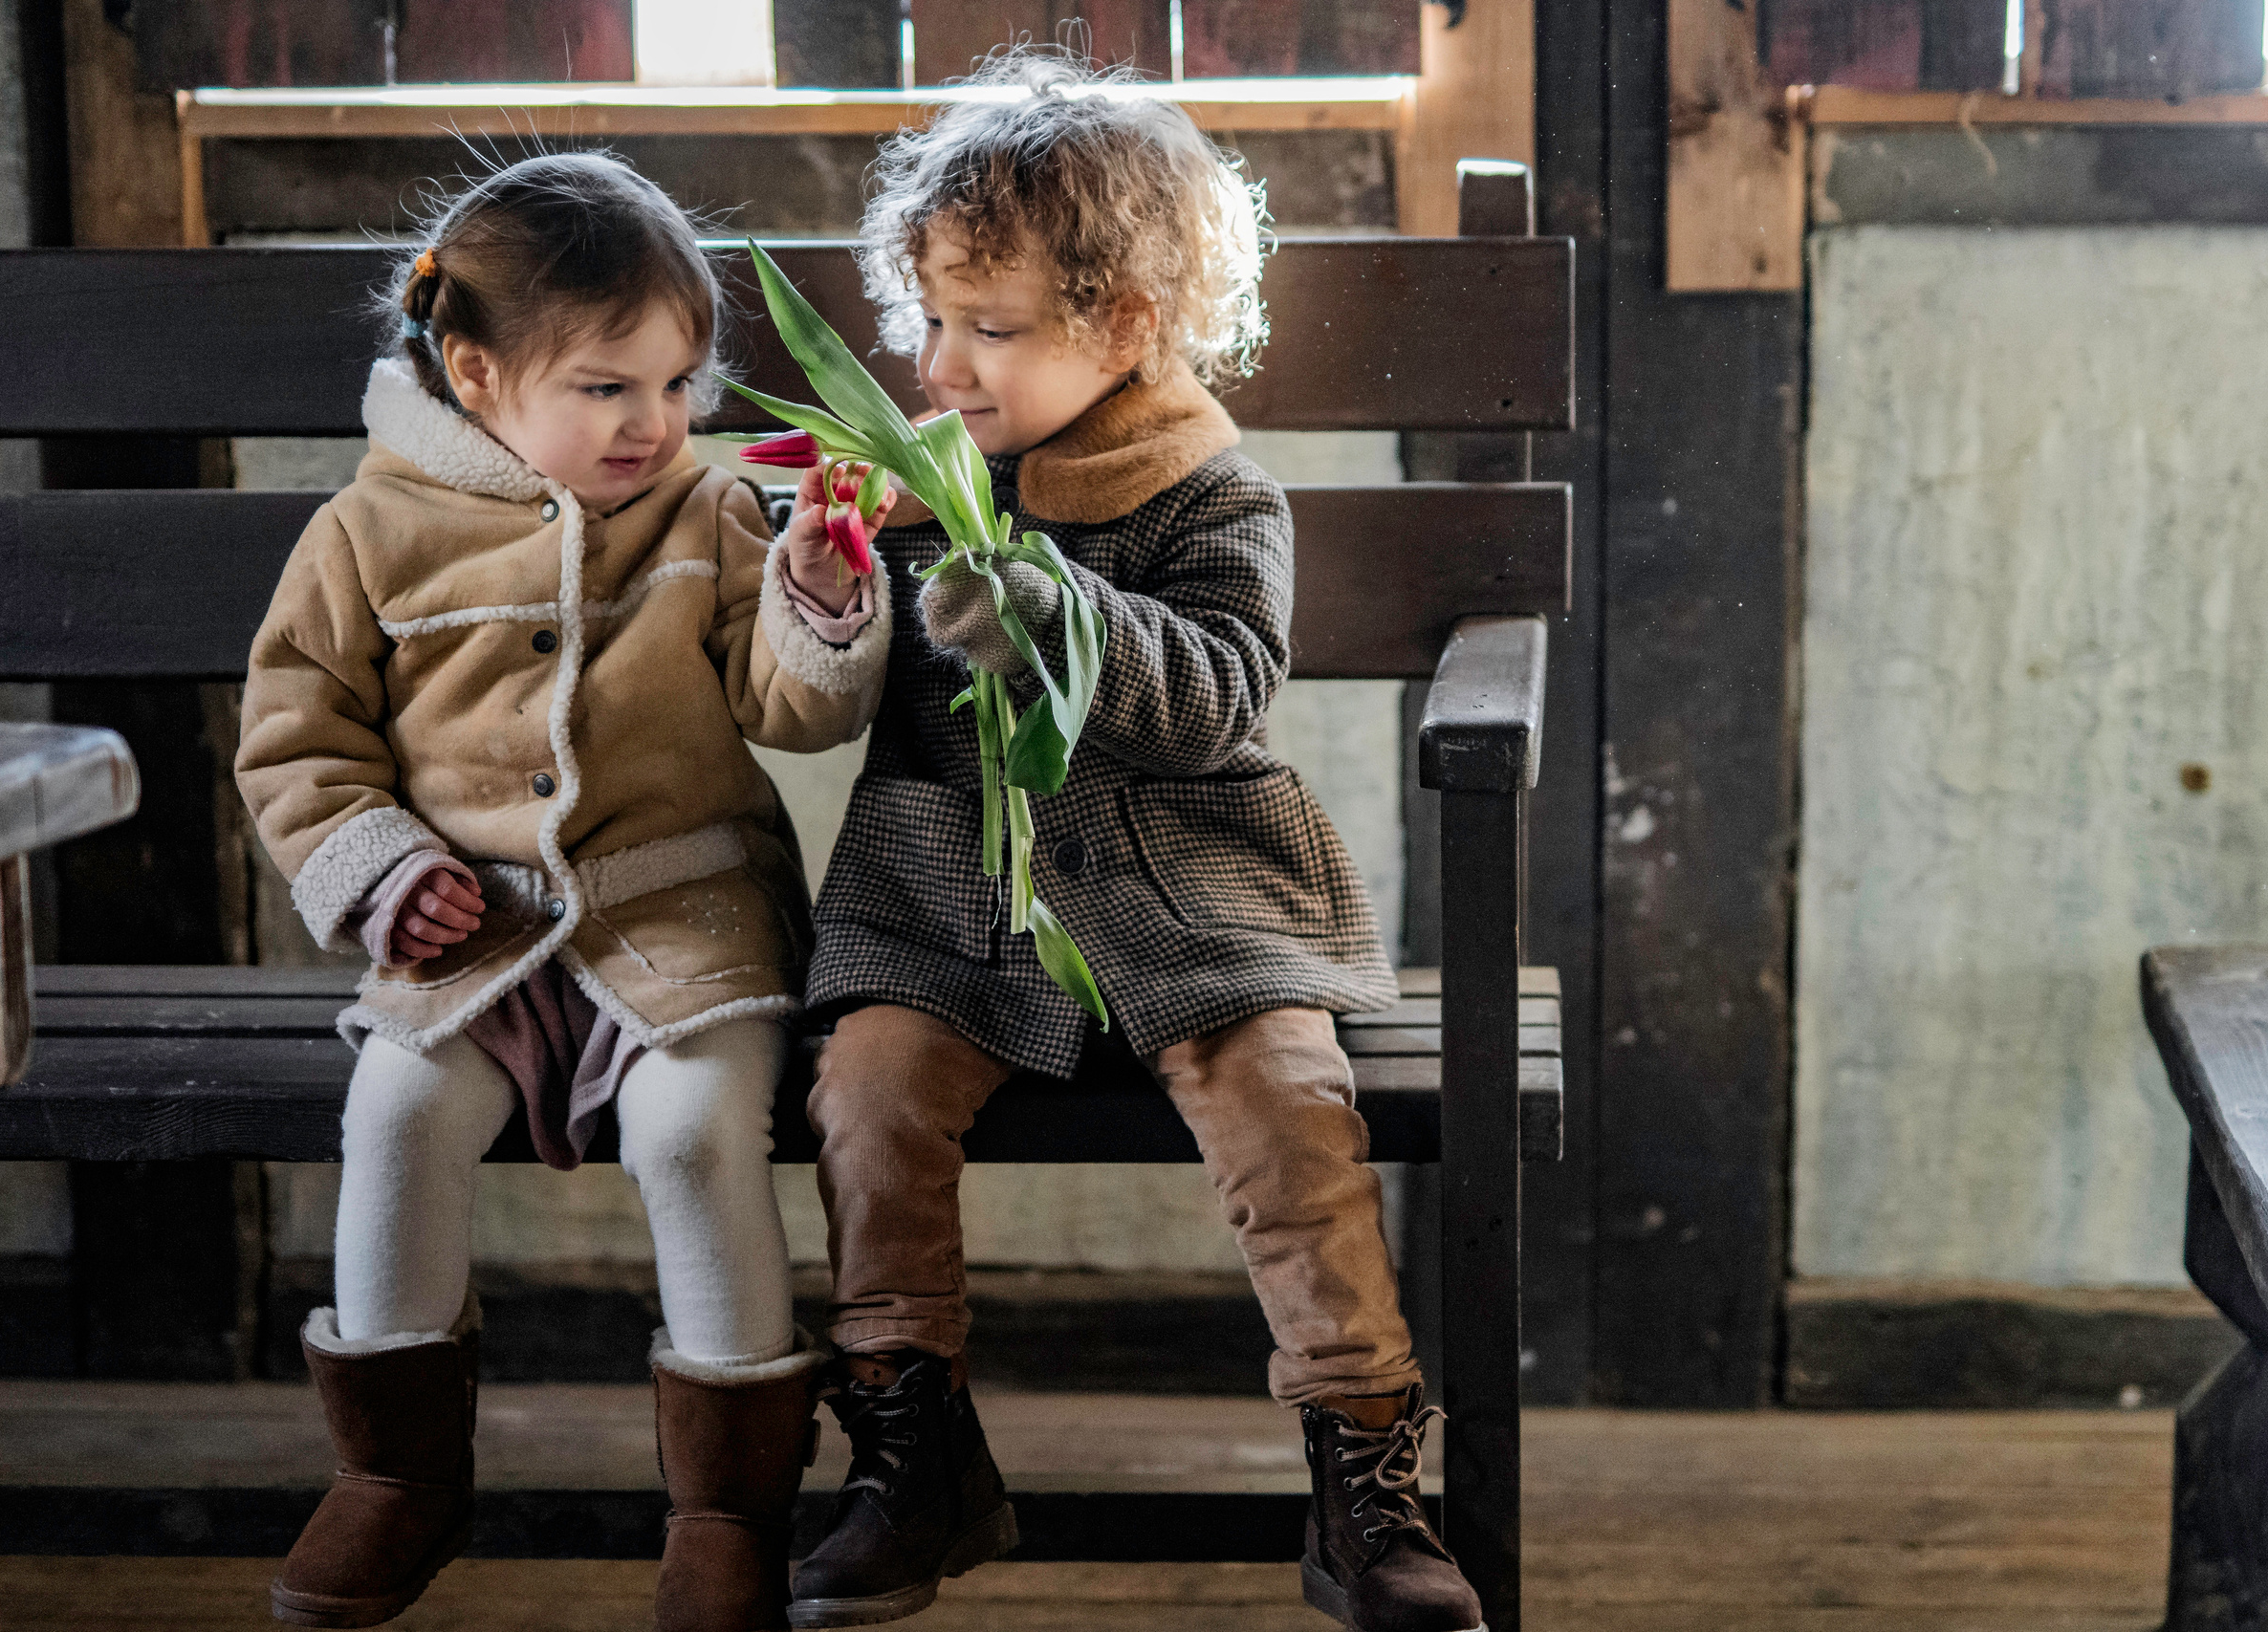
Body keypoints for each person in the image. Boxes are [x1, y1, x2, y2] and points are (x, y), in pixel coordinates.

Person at [793, 54, 1486, 1632]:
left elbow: (1223, 695)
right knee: (870, 1092)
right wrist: (827, 585)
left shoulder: (1211, 489)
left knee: (1290, 1106)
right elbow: (821, 698)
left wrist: (1055, 609)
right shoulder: (918, 486)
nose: (948, 364)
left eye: (996, 328)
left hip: (1194, 891)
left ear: (1130, 322)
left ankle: (1364, 1469)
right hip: (950, 903)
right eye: (935, 321)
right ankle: (914, 1458)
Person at [234, 151, 891, 1631]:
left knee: (694, 1128)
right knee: (396, 1112)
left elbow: (792, 710)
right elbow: (296, 737)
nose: (653, 422)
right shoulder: (368, 533)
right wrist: (381, 871)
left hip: (687, 917)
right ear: (475, 373)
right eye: (607, 388)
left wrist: (825, 601)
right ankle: (397, 1474)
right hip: (474, 935)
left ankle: (730, 1504)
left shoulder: (708, 510)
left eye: (676, 382)